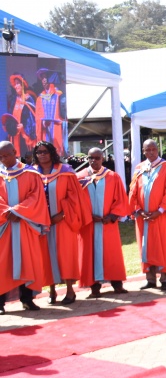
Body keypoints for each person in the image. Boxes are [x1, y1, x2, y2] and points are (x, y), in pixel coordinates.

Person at [34, 141, 91, 305]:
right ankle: (51, 291)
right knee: (46, 256)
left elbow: (75, 197)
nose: (42, 155)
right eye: (39, 152)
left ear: (52, 153)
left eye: (45, 151)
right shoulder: (32, 173)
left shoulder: (65, 172)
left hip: (63, 221)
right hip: (42, 223)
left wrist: (63, 213)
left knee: (65, 255)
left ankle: (70, 291)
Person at [128, 139, 166, 291]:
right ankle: (150, 278)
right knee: (146, 247)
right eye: (148, 150)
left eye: (153, 149)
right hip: (143, 217)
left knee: (164, 246)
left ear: (157, 150)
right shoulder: (140, 167)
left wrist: (158, 211)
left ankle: (165, 278)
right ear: (143, 151)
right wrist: (138, 210)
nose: (151, 152)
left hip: (162, 216)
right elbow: (133, 190)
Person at [0, 141, 50, 313]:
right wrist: (7, 212)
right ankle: (0, 303)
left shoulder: (31, 173)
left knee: (28, 261)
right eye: (0, 157)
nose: (3, 159)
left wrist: (19, 212)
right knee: (2, 264)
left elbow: (36, 197)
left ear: (14, 152)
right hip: (5, 225)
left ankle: (27, 299)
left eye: (6, 155)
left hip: (25, 225)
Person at [77, 147, 129, 298]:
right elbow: (76, 201)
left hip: (108, 224)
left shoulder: (113, 177)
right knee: (90, 254)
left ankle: (117, 284)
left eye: (97, 158)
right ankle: (94, 288)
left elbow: (120, 199)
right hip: (89, 224)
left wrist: (112, 216)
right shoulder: (79, 177)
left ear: (103, 158)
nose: (94, 161)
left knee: (111, 254)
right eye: (91, 158)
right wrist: (87, 215)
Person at [34, 68, 67, 156]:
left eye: (46, 77)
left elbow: (64, 115)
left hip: (56, 128)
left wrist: (57, 121)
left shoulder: (59, 95)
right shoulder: (40, 98)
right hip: (45, 130)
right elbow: (37, 117)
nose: (44, 80)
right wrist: (43, 123)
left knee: (57, 153)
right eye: (42, 78)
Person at [6, 74, 37, 157]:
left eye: (17, 83)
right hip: (15, 134)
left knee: (26, 157)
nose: (15, 86)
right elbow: (10, 116)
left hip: (24, 134)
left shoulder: (29, 99)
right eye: (14, 84)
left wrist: (24, 129)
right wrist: (10, 126)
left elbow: (32, 118)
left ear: (23, 84)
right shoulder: (14, 100)